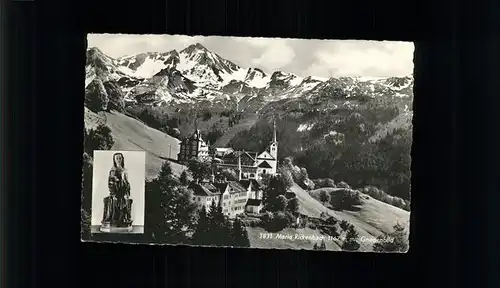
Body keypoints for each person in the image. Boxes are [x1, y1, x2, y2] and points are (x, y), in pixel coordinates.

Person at [102, 152, 133, 227]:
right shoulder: (112, 171)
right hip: (115, 191)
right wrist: (113, 194)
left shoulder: (125, 170)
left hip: (123, 191)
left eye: (120, 158)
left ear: (122, 159)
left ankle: (124, 220)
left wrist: (127, 193)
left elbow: (127, 182)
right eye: (117, 158)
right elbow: (110, 184)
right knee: (115, 201)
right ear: (114, 160)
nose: (119, 160)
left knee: (126, 201)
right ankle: (115, 221)